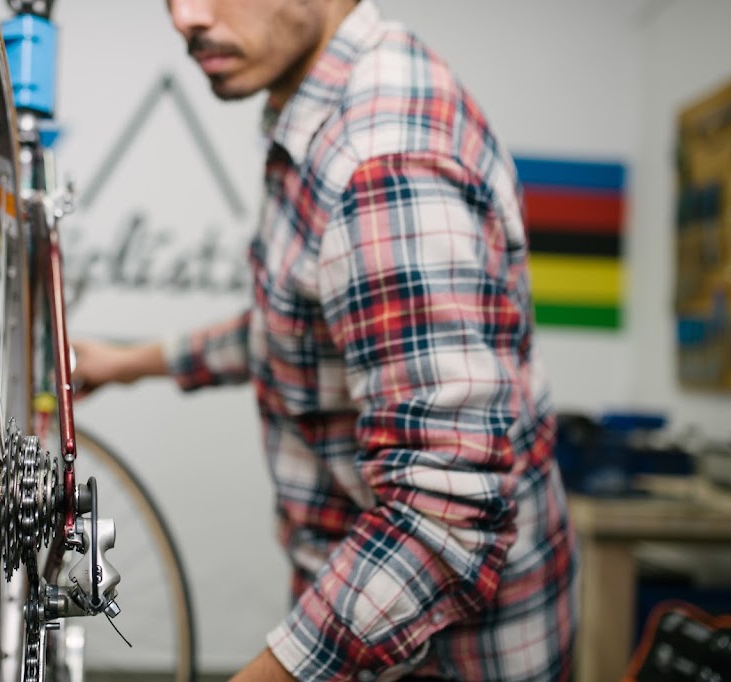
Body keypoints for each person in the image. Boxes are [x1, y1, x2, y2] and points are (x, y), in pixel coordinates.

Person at [72, 0, 578, 679]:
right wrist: (127, 363)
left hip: (450, 657)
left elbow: (444, 517)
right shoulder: (319, 114)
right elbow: (302, 327)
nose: (184, 16)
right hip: (367, 622)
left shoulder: (383, 156)